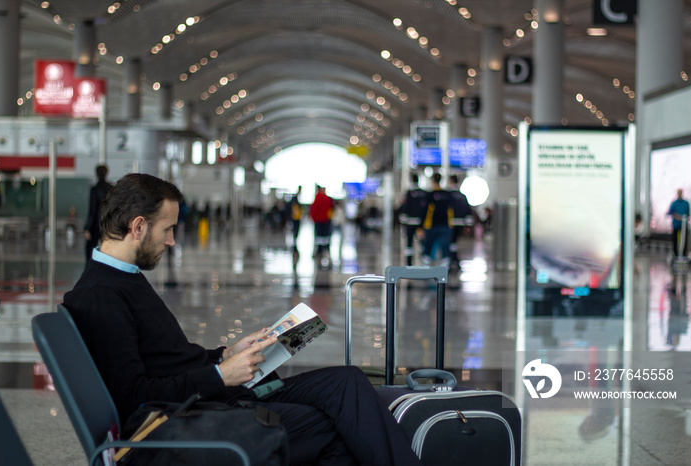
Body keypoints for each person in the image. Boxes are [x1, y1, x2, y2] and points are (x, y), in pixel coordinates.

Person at [62, 173, 422, 465]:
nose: (171, 241)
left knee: (347, 382)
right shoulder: (101, 296)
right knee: (335, 426)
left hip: (208, 394)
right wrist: (219, 375)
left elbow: (165, 358)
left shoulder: (124, 277)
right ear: (137, 226)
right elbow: (134, 396)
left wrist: (225, 354)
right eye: (167, 229)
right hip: (186, 414)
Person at [418, 172, 454, 269]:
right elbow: (451, 211)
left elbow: (424, 211)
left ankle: (425, 268)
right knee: (445, 247)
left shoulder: (429, 195)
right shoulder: (447, 195)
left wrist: (420, 227)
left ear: (432, 180)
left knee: (428, 247)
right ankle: (444, 271)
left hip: (431, 226)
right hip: (445, 225)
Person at [83, 164, 112, 262]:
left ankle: (91, 267)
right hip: (108, 223)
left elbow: (93, 210)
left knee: (90, 248)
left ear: (96, 174)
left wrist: (87, 227)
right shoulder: (111, 188)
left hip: (96, 224)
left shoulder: (94, 189)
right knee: (108, 249)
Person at [398, 174, 427, 266]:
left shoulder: (409, 193)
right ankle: (423, 261)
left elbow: (405, 207)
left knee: (409, 243)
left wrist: (403, 219)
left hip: (410, 222)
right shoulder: (423, 193)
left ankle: (409, 262)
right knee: (422, 242)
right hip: (420, 223)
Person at [447, 174, 473, 271]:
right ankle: (455, 261)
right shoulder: (462, 195)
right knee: (454, 242)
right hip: (461, 223)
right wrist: (468, 224)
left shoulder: (448, 195)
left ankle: (454, 261)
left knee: (451, 242)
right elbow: (467, 210)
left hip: (451, 222)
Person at [309, 185, 334, 261]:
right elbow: (331, 208)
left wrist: (313, 217)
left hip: (318, 220)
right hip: (326, 220)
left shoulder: (317, 197)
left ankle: (319, 250)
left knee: (318, 235)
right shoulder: (327, 198)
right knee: (326, 235)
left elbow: (313, 208)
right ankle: (326, 249)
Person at [667, 188, 690, 257]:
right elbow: (670, 212)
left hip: (683, 225)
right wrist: (676, 216)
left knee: (684, 240)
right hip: (676, 224)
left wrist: (684, 217)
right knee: (675, 240)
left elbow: (689, 213)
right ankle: (675, 254)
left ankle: (684, 254)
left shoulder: (686, 203)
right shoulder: (674, 203)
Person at [287, 186, 303, 253]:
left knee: (296, 230)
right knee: (295, 229)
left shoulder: (296, 199)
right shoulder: (294, 199)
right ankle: (294, 240)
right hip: (295, 217)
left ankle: (295, 240)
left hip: (297, 217)